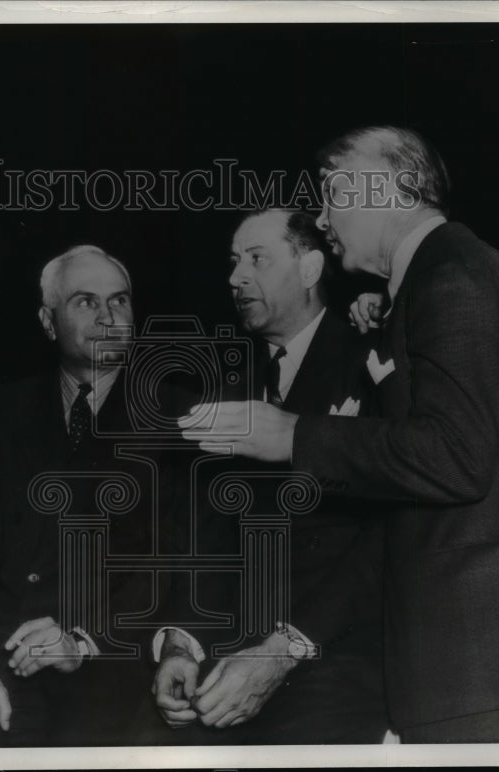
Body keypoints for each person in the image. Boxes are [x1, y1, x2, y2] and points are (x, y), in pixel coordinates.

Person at [181, 127, 499, 742]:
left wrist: (295, 436)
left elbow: (455, 457)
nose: (322, 214)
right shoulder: (437, 281)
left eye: (333, 193)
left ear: (395, 189)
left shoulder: (454, 282)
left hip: (479, 668)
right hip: (472, 659)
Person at [148, 209, 388, 744]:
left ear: (309, 270)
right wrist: (182, 642)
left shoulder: (372, 358)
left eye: (257, 259)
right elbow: (209, 528)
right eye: (234, 263)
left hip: (336, 660)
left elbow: (387, 537)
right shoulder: (230, 375)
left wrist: (285, 649)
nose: (236, 278)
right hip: (230, 663)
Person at [0, 245, 174, 747]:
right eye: (86, 302)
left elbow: (166, 566)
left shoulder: (176, 420)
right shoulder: (1, 411)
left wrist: (83, 642)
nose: (109, 316)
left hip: (115, 667)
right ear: (48, 322)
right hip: (7, 659)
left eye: (120, 301)